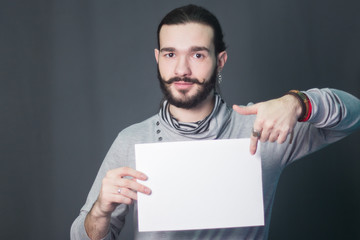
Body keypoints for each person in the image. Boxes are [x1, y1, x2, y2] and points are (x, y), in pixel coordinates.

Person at [71, 4, 360, 240]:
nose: (182, 69)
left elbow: (353, 115)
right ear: (158, 58)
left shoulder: (261, 128)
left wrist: (297, 103)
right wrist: (99, 212)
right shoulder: (131, 141)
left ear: (220, 61)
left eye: (197, 54)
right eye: (170, 54)